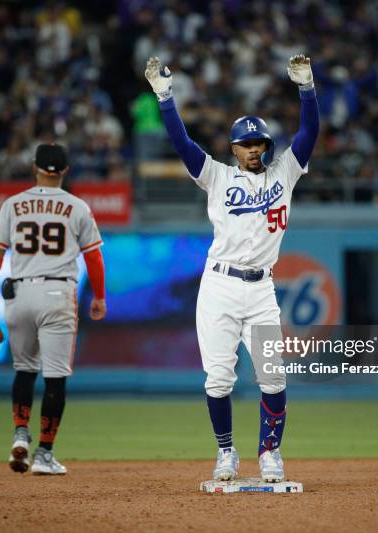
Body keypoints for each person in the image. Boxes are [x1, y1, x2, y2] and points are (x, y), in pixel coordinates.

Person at [145, 54, 319, 482]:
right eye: (246, 144)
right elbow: (182, 143)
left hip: (261, 289)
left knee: (272, 376)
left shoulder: (285, 173)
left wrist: (308, 90)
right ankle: (226, 453)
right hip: (220, 285)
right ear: (234, 148)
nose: (253, 149)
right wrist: (165, 98)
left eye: (259, 143)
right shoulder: (216, 176)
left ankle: (270, 454)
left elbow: (310, 132)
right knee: (218, 378)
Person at [0, 143, 107, 474]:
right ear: (64, 171)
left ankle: (20, 434)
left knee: (24, 370)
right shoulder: (77, 207)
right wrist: (99, 297)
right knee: (55, 377)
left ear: (34, 167)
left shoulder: (13, 204)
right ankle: (45, 455)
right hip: (57, 292)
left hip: (18, 294)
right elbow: (93, 257)